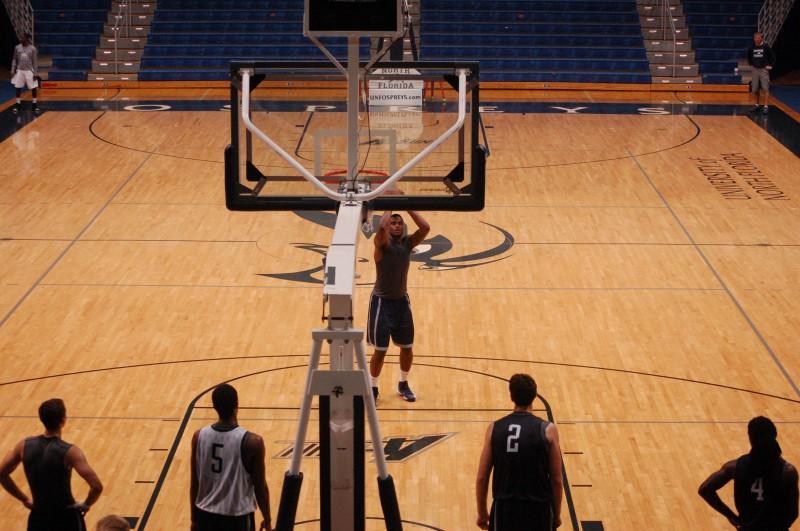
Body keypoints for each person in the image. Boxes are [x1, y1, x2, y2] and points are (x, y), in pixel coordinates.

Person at [0, 398, 104, 531]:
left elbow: (2, 473)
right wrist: (86, 504)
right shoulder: (70, 452)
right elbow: (96, 486)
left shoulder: (23, 446)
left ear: (41, 419)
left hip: (39, 517)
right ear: (63, 420)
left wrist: (24, 499)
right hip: (66, 518)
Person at [476, 374, 564, 530]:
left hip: (505, 510)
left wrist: (482, 512)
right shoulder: (548, 430)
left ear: (511, 396)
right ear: (534, 397)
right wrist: (556, 514)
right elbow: (556, 479)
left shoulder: (494, 428)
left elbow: (482, 477)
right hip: (539, 510)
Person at [367, 203, 430, 403]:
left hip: (402, 301)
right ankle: (373, 387)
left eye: (399, 223)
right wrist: (388, 205)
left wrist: (408, 206)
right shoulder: (381, 244)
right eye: (393, 222)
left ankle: (403, 384)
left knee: (407, 347)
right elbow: (381, 228)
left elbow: (426, 227)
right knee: (380, 351)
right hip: (381, 303)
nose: (396, 225)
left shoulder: (407, 244)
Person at [191, 383, 272, 531]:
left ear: (214, 407)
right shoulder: (253, 442)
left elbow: (195, 483)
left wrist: (194, 519)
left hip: (205, 516)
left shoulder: (198, 437)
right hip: (237, 519)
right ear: (237, 406)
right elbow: (260, 488)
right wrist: (267, 520)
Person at [699, 416, 798, 530]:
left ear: (750, 439)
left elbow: (705, 489)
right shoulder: (788, 472)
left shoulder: (734, 467)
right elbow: (793, 513)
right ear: (775, 436)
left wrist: (731, 516)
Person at [747, 32, 776, 114]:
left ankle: (766, 106)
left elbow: (772, 57)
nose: (756, 39)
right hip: (755, 70)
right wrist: (751, 64)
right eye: (755, 38)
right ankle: (756, 104)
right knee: (755, 88)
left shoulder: (766, 46)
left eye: (758, 38)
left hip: (763, 69)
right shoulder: (752, 47)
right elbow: (749, 56)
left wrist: (770, 66)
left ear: (761, 38)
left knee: (765, 88)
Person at [10, 32, 40, 114]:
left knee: (33, 87)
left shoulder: (32, 48)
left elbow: (35, 62)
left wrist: (35, 73)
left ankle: (34, 104)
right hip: (20, 70)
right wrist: (13, 70)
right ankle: (18, 104)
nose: (21, 39)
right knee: (18, 87)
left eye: (23, 38)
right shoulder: (17, 47)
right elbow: (14, 59)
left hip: (29, 70)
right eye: (21, 38)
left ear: (27, 39)